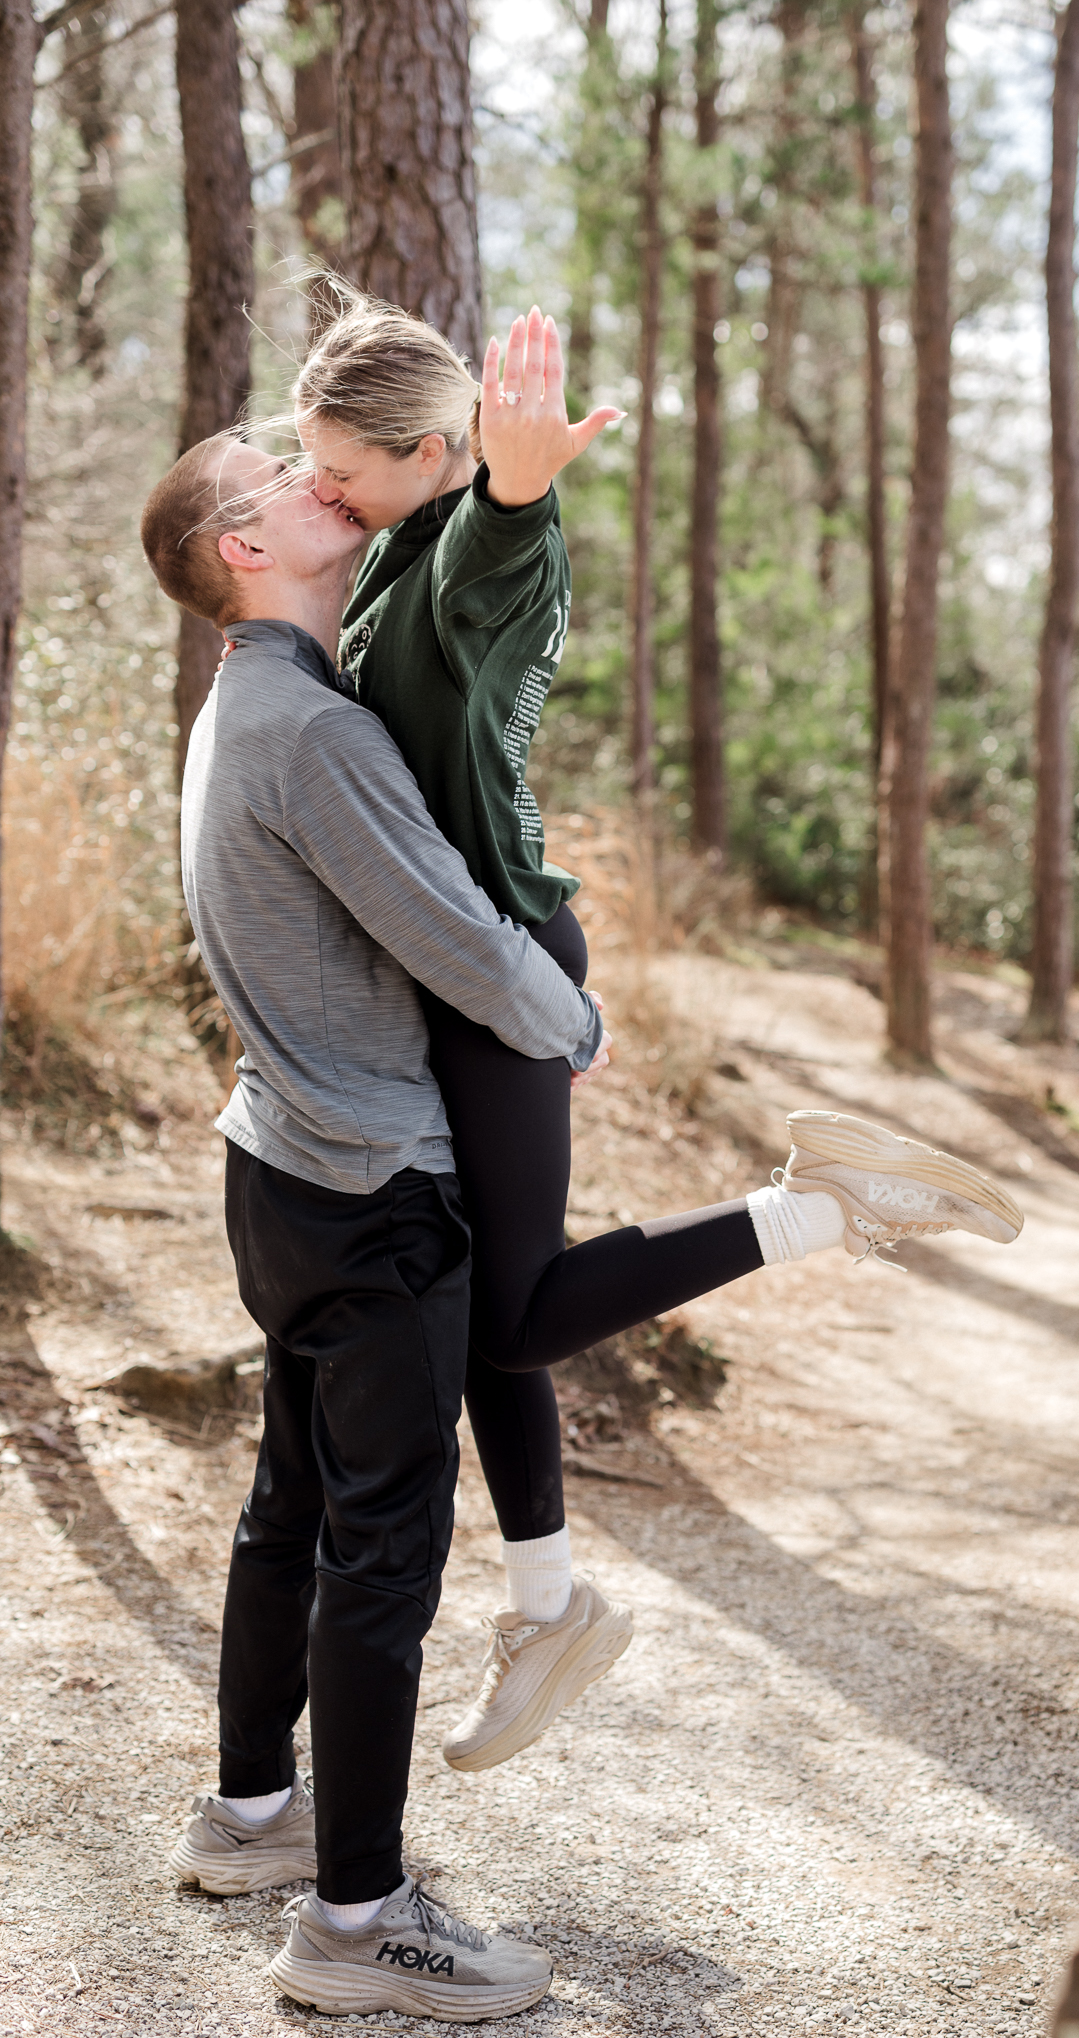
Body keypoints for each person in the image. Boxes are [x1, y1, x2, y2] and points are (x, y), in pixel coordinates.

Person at [292, 288, 1026, 1779]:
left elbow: (488, 589)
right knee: (493, 1301)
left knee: (515, 1314)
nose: (323, 489)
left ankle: (823, 1203)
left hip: (494, 965)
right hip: (469, 964)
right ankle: (546, 1608)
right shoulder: (395, 547)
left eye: (342, 470)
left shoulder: (479, 541)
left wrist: (514, 486)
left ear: (428, 451)